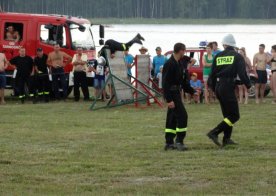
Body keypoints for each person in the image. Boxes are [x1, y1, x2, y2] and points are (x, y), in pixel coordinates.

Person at [207, 34, 251, 147]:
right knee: (234, 115)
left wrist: (213, 88)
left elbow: (212, 75)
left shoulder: (218, 56)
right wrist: (248, 85)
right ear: (233, 45)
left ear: (224, 45)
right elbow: (242, 74)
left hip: (218, 87)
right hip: (227, 87)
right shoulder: (237, 56)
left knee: (227, 115)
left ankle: (226, 139)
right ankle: (214, 132)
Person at [162, 43, 194, 151]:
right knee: (182, 116)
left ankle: (169, 143)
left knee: (172, 118)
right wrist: (169, 100)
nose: (184, 53)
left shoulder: (179, 63)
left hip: (176, 91)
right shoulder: (169, 64)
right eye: (184, 51)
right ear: (180, 51)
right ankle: (179, 141)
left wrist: (192, 91)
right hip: (172, 93)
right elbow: (165, 83)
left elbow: (183, 82)